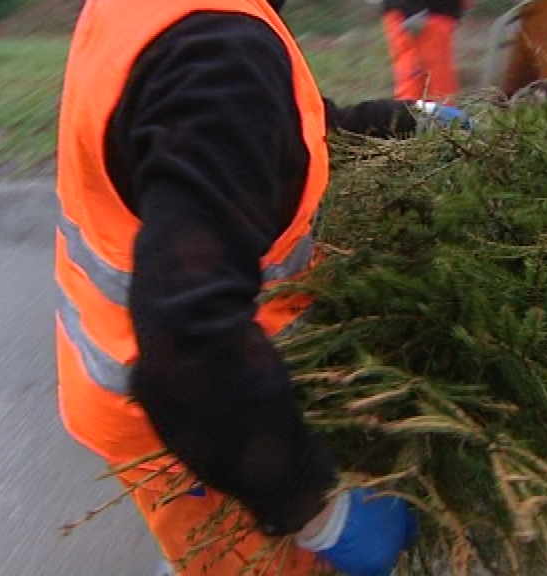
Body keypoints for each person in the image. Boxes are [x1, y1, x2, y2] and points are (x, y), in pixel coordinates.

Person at [55, 1, 465, 574]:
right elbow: (187, 341)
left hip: (193, 409)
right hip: (210, 428)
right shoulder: (218, 50)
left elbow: (271, 137)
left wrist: (407, 123)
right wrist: (315, 509)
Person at [381, 0, 466, 101]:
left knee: (424, 80)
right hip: (424, 15)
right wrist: (414, 10)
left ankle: (409, 114)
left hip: (426, 14)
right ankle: (442, 115)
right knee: (432, 82)